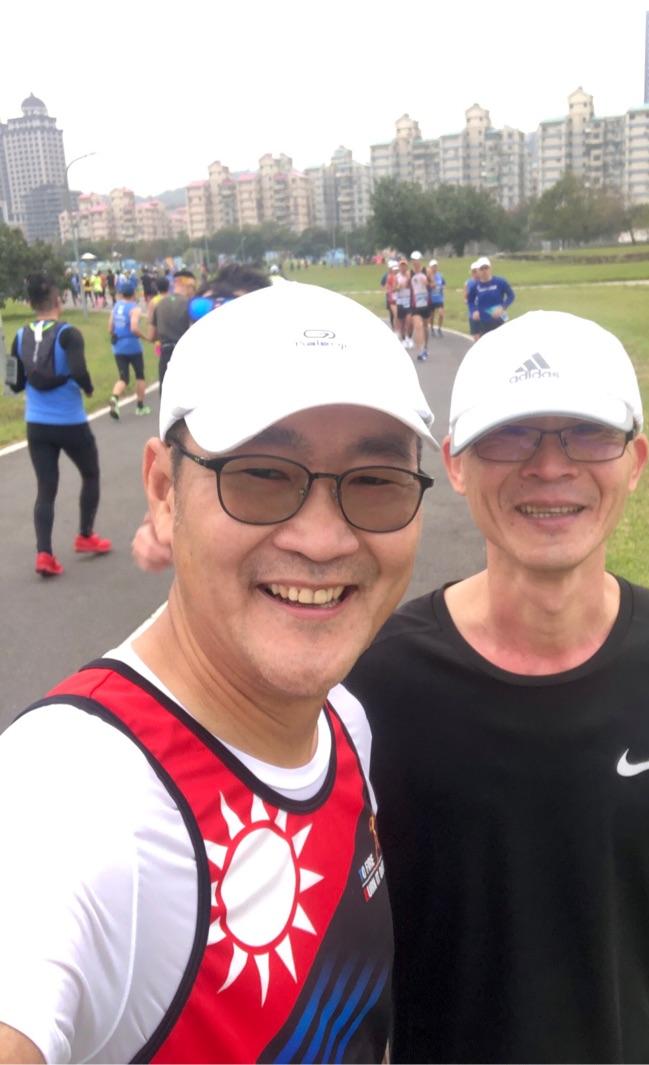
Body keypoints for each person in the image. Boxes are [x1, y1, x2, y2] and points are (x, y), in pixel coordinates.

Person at [0, 282, 437, 1065]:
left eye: (376, 480)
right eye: (261, 473)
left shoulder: (343, 721)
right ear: (164, 493)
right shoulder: (70, 800)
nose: (323, 539)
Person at [345, 310, 649, 1063]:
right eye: (510, 434)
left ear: (636, 459)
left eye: (587, 432)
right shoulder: (374, 678)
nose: (550, 466)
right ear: (456, 463)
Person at [6, 273, 111, 576]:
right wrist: (88, 389)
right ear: (57, 301)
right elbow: (79, 370)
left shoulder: (19, 336)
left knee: (46, 488)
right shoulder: (69, 333)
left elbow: (13, 382)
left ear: (31, 304)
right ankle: (85, 535)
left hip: (36, 424)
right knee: (90, 474)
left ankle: (44, 554)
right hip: (70, 422)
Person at [108, 279, 150, 418]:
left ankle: (114, 397)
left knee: (123, 378)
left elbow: (110, 328)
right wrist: (145, 337)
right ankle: (140, 407)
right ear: (133, 293)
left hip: (118, 347)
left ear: (121, 294)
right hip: (133, 347)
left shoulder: (116, 306)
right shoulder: (134, 308)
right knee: (140, 375)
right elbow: (134, 328)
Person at [148, 268, 196, 386]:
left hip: (166, 354)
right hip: (186, 354)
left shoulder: (159, 304)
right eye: (193, 287)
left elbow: (151, 336)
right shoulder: (191, 305)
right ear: (188, 285)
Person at [469, 255, 515, 337]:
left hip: (499, 319)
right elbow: (470, 300)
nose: (484, 271)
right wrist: (474, 311)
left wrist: (503, 307)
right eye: (481, 269)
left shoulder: (500, 282)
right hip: (483, 321)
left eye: (486, 268)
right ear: (478, 271)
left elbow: (511, 295)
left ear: (490, 268)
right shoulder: (475, 286)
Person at [408, 251, 432, 362]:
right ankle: (421, 351)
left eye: (417, 260)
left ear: (420, 260)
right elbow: (406, 286)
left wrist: (427, 283)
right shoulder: (409, 273)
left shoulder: (427, 271)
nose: (416, 262)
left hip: (426, 304)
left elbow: (434, 285)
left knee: (425, 327)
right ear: (412, 261)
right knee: (418, 326)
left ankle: (425, 347)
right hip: (415, 305)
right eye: (414, 260)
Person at [429, 258, 445, 337]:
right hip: (431, 299)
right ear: (430, 267)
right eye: (433, 266)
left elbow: (443, 284)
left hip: (439, 299)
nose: (434, 268)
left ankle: (439, 329)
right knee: (432, 316)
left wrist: (442, 288)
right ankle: (432, 328)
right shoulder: (428, 276)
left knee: (441, 314)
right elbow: (427, 286)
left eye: (435, 266)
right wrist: (431, 285)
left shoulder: (440, 275)